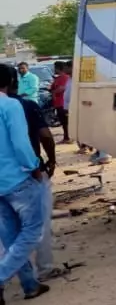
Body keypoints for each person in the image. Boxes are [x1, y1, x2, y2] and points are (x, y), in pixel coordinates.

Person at [0, 63, 49, 305]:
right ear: (10, 81)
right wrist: (34, 166)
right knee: (32, 230)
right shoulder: (9, 105)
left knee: (10, 236)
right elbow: (20, 143)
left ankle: (30, 285)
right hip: (16, 179)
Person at [9, 81, 57, 279]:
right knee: (39, 222)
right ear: (14, 82)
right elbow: (44, 135)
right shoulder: (25, 106)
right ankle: (44, 268)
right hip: (29, 173)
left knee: (9, 228)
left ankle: (19, 274)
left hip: (4, 178)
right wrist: (50, 160)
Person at [51, 62, 71, 150]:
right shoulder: (58, 78)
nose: (54, 69)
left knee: (65, 122)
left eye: (55, 68)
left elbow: (62, 88)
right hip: (58, 103)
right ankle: (66, 137)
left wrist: (54, 92)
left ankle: (68, 137)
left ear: (59, 68)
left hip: (62, 103)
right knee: (63, 122)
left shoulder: (64, 77)